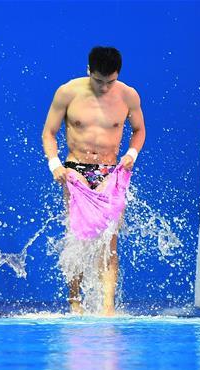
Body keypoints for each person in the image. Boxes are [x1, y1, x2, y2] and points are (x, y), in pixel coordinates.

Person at [42, 46, 146, 316]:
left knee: (109, 242)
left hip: (110, 173)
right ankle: (75, 303)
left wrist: (132, 153)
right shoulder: (67, 92)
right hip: (75, 171)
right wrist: (55, 164)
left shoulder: (128, 95)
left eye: (109, 81)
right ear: (89, 71)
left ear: (118, 75)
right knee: (78, 238)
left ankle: (108, 308)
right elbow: (49, 133)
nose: (103, 87)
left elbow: (139, 130)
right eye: (98, 80)